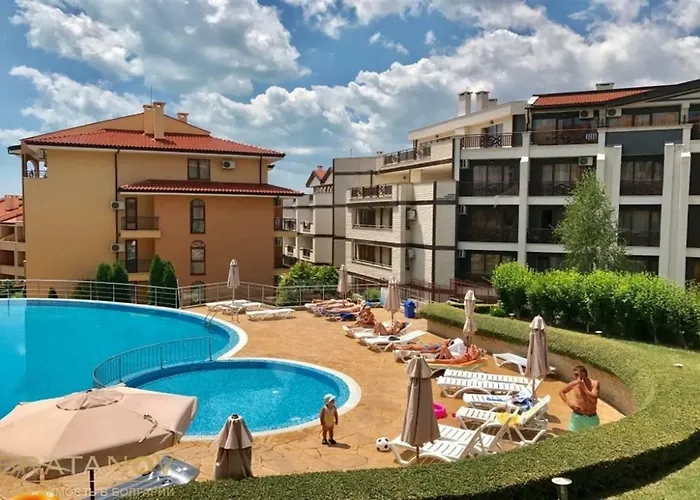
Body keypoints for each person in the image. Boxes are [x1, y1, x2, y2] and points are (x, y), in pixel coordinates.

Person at [559, 365, 600, 431]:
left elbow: (593, 399)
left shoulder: (595, 384)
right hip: (577, 417)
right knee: (573, 435)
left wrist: (583, 386)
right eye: (574, 375)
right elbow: (561, 392)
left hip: (591, 417)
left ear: (584, 374)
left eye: (577, 375)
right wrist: (569, 403)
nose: (575, 377)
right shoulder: (574, 384)